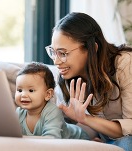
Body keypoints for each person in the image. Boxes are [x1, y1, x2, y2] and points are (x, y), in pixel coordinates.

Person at [45, 12, 132, 150]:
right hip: (106, 141)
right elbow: (81, 126)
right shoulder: (67, 76)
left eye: (63, 53)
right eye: (53, 52)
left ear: (92, 48)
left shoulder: (125, 63)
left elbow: (130, 127)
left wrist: (86, 119)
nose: (56, 61)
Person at [15, 62, 89, 139]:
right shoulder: (18, 113)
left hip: (78, 138)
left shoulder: (53, 111)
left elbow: (51, 140)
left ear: (48, 94)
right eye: (19, 90)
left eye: (31, 90)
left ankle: (94, 140)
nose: (23, 95)